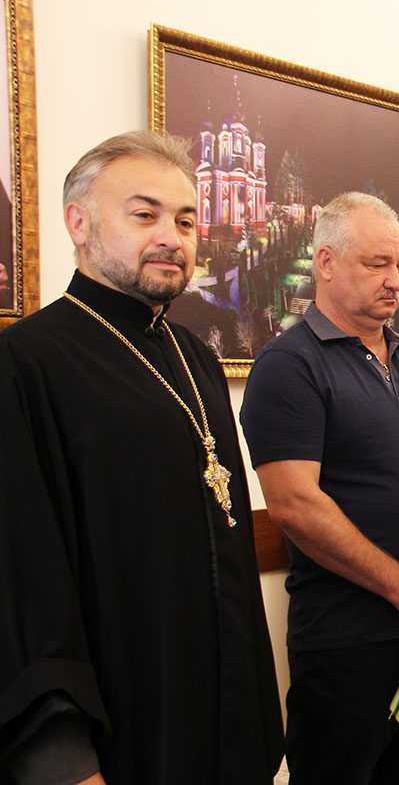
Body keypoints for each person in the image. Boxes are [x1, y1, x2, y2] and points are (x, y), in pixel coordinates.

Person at [0, 131, 283, 784]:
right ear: (79, 223)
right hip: (118, 730)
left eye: (184, 220)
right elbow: (23, 577)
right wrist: (63, 760)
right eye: (144, 214)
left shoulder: (197, 357)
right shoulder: (26, 363)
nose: (170, 237)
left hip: (222, 722)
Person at [240, 193, 399, 784]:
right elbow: (294, 505)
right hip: (348, 645)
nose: (395, 280)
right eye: (377, 264)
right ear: (326, 262)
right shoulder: (289, 365)